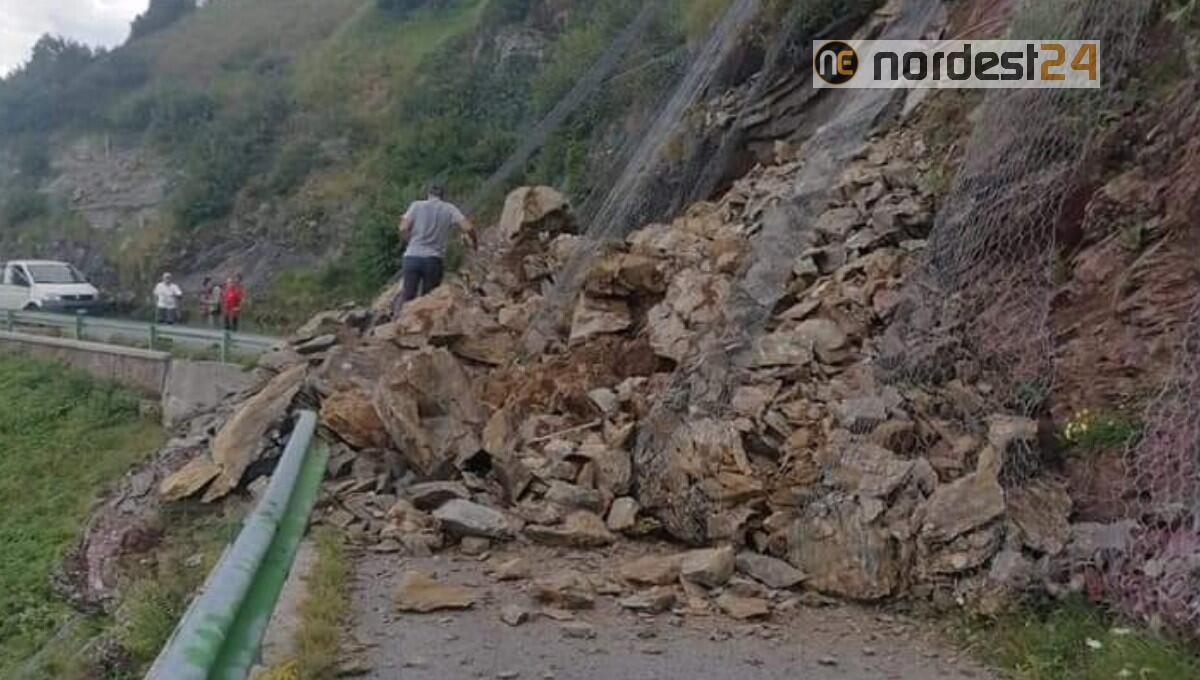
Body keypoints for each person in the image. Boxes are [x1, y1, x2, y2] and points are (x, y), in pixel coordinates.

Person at [396, 182, 475, 310]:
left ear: (428, 194)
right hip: (433, 260)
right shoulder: (449, 208)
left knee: (408, 298)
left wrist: (410, 241)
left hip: (412, 257)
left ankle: (401, 321)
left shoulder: (416, 205)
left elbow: (403, 228)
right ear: (443, 195)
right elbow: (468, 227)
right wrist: (475, 242)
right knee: (429, 302)